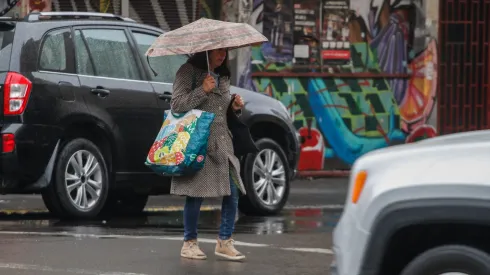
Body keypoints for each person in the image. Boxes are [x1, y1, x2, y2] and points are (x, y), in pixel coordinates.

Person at [170, 49, 247, 261]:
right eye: (218, 51)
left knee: (233, 190)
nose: (222, 55)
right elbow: (176, 105)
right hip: (199, 142)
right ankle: (189, 243)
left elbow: (220, 110)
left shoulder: (222, 76)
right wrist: (202, 90)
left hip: (223, 143)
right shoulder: (189, 71)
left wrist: (234, 107)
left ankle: (224, 241)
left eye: (225, 51)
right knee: (196, 193)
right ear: (206, 51)